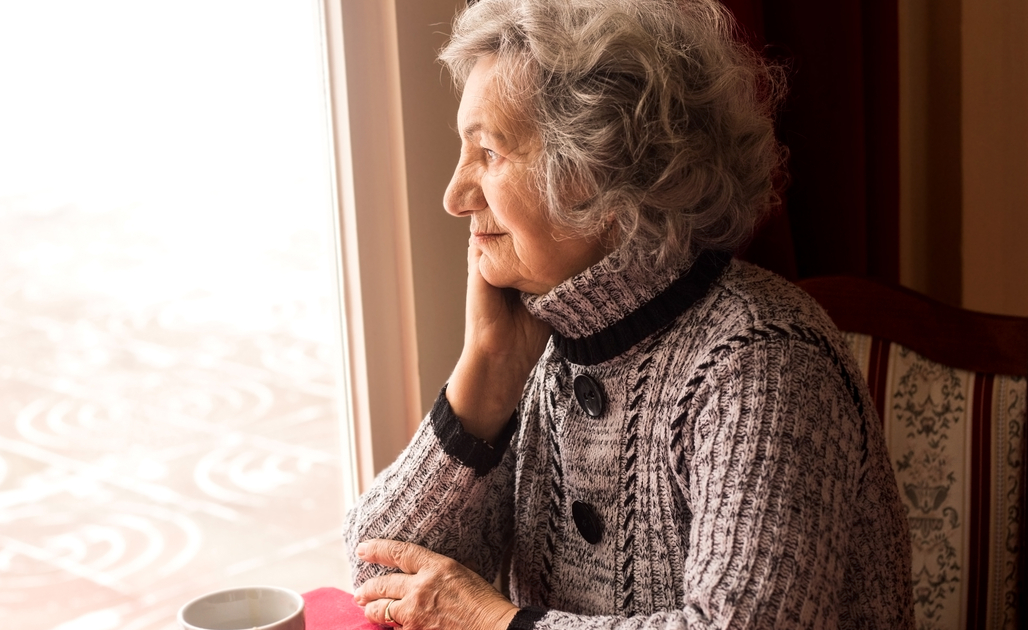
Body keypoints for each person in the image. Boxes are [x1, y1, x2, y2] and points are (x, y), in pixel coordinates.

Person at [342, 0, 914, 628]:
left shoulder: (763, 361)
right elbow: (378, 579)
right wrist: (488, 364)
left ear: (602, 173)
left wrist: (493, 621)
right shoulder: (544, 339)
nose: (454, 196)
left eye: (490, 152)